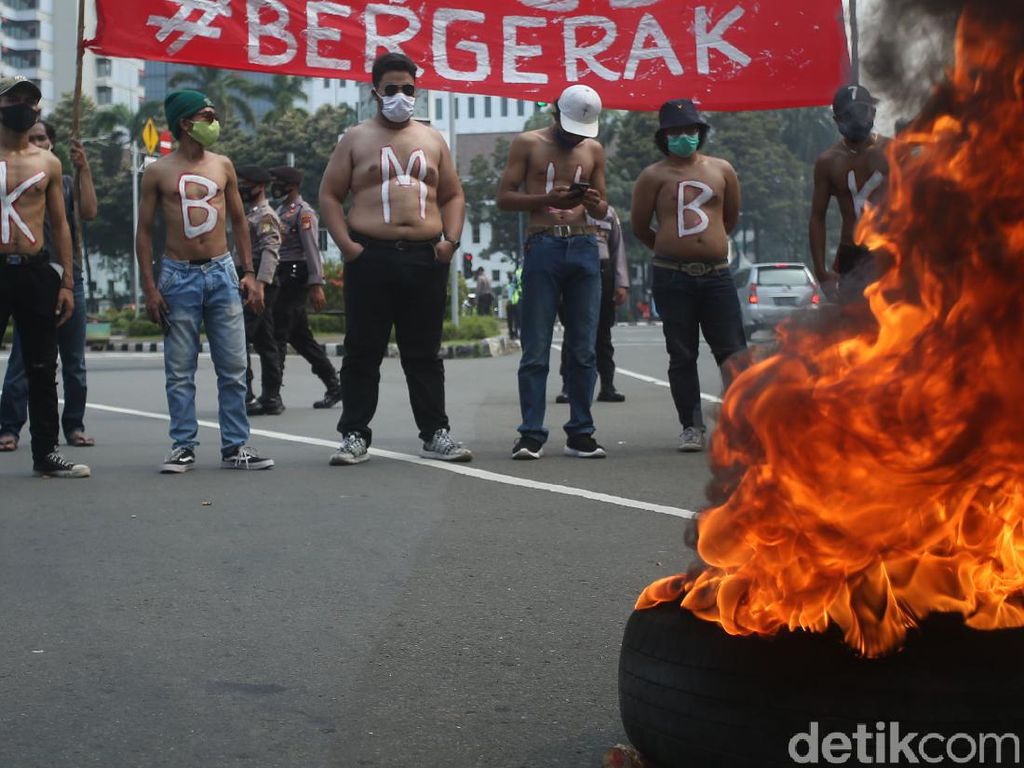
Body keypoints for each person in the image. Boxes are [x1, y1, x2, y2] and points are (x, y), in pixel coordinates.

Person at [318, 52, 472, 465]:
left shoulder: (432, 139)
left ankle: (435, 432)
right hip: (372, 256)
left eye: (408, 88)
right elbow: (329, 195)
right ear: (376, 92)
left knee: (423, 352)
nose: (401, 96)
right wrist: (347, 247)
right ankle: (354, 434)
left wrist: (449, 242)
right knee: (363, 351)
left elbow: (454, 194)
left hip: (425, 257)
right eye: (392, 89)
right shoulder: (355, 138)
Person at [136, 89, 273, 473]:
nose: (214, 122)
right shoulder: (158, 171)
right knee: (179, 370)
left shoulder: (223, 165)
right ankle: (183, 445)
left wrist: (249, 273)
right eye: (207, 115)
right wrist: (150, 288)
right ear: (185, 123)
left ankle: (236, 446)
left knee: (232, 366)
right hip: (177, 275)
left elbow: (238, 222)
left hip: (221, 271)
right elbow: (144, 232)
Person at [496, 84, 609, 460]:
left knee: (583, 347)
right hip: (543, 242)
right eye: (571, 126)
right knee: (536, 345)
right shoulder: (528, 143)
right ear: (555, 114)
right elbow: (504, 198)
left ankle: (581, 431)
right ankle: (531, 433)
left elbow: (601, 209)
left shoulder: (593, 149)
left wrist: (593, 203)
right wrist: (546, 199)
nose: (576, 136)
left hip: (584, 244)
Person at [630, 98, 746, 452]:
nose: (684, 136)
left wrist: (707, 244)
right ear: (664, 137)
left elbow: (730, 217)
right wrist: (671, 247)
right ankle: (691, 426)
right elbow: (639, 226)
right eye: (676, 132)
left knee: (732, 351)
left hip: (716, 275)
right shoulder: (653, 176)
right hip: (672, 275)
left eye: (690, 130)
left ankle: (742, 422)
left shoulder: (722, 169)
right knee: (682, 353)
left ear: (701, 132)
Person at [0, 76, 89, 477]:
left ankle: (46, 453)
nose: (23, 105)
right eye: (13, 98)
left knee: (42, 367)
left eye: (29, 100)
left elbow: (62, 224)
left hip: (37, 271)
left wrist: (67, 282)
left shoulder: (48, 163)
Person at [268, 164, 342, 409]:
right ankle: (334, 384)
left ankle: (273, 394)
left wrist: (316, 283)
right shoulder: (281, 210)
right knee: (300, 338)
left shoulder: (304, 213)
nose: (274, 186)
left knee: (278, 332)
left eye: (278, 181)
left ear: (293, 185)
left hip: (296, 276)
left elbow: (311, 250)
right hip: (282, 275)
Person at [810, 85, 890, 303]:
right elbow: (818, 217)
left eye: (861, 111)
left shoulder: (892, 152)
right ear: (837, 120)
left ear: (872, 113)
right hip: (852, 256)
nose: (856, 120)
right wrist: (821, 271)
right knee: (854, 327)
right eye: (848, 115)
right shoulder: (828, 162)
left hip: (890, 251)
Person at [555, 205, 629, 404]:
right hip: (572, 271)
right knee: (573, 331)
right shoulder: (562, 210)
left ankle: (607, 385)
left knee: (603, 331)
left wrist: (621, 283)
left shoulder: (608, 212)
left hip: (602, 269)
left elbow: (617, 247)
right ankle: (569, 386)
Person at [235, 164, 283, 416]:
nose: (241, 187)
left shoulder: (264, 215)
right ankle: (271, 398)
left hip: (257, 284)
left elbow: (269, 250)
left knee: (239, 338)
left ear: (259, 187)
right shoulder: (252, 213)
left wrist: (260, 285)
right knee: (265, 340)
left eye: (245, 183)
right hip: (252, 281)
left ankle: (246, 396)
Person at [505, 267, 522, 340]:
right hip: (513, 303)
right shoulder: (510, 285)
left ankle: (514, 333)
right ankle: (513, 333)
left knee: (514, 320)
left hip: (514, 303)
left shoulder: (514, 284)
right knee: (513, 320)